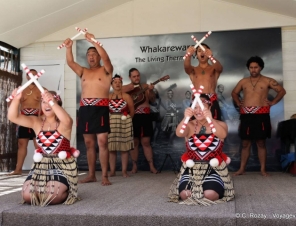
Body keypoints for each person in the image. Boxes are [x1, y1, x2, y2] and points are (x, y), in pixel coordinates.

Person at [7, 89, 78, 206]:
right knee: (28, 195)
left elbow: (67, 119)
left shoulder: (64, 123)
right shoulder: (36, 122)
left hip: (61, 165)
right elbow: (13, 117)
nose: (46, 104)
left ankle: (68, 190)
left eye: (50, 101)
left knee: (52, 196)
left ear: (57, 104)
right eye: (43, 102)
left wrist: (51, 100)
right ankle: (49, 185)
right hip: (42, 164)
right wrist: (16, 99)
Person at [64, 32, 113, 185]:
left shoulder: (106, 70)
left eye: (94, 54)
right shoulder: (83, 71)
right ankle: (91, 174)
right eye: (89, 54)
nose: (91, 57)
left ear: (98, 56)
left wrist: (94, 41)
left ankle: (104, 175)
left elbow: (107, 58)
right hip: (85, 109)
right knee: (89, 144)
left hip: (101, 109)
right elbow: (71, 63)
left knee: (103, 142)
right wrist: (68, 48)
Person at [168, 94, 234, 205]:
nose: (198, 111)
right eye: (195, 108)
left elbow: (223, 134)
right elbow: (179, 133)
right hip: (192, 168)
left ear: (210, 108)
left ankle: (213, 187)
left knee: (209, 195)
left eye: (202, 108)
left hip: (214, 168)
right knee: (185, 195)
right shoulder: (188, 125)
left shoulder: (220, 124)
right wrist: (186, 117)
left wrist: (210, 119)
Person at [231, 56, 286, 176]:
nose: (253, 70)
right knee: (245, 143)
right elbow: (234, 93)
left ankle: (262, 169)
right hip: (246, 115)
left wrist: (273, 102)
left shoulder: (268, 80)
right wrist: (237, 101)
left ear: (260, 68)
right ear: (248, 68)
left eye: (256, 67)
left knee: (261, 142)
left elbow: (282, 91)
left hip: (262, 114)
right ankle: (242, 169)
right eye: (251, 67)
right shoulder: (243, 81)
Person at [122, 68, 158, 174]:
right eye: (134, 76)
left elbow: (152, 100)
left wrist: (150, 90)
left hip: (145, 116)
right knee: (134, 142)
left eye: (138, 76)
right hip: (133, 116)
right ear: (130, 77)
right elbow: (118, 95)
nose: (136, 78)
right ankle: (134, 166)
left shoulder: (145, 86)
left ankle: (151, 166)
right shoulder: (126, 88)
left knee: (146, 142)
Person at [7, 69, 42, 176]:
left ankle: (41, 169)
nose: (32, 77)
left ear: (38, 76)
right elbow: (11, 105)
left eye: (35, 75)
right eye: (30, 75)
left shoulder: (42, 90)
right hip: (23, 118)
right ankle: (18, 169)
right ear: (27, 76)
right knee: (22, 144)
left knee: (39, 145)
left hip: (37, 119)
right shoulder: (21, 90)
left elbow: (46, 106)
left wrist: (42, 119)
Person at [184, 44, 223, 120]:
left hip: (211, 100)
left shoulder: (214, 68)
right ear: (196, 54)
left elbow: (220, 68)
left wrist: (211, 56)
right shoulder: (193, 70)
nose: (202, 52)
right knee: (194, 126)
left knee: (214, 125)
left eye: (204, 50)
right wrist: (188, 55)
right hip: (196, 100)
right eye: (199, 51)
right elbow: (186, 67)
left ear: (208, 52)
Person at [108, 74, 134, 178]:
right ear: (112, 85)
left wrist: (127, 120)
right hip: (111, 123)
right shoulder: (108, 96)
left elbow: (132, 111)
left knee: (124, 148)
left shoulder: (127, 96)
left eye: (119, 82)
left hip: (124, 123)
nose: (117, 84)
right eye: (115, 82)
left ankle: (124, 171)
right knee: (112, 148)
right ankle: (112, 171)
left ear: (122, 84)